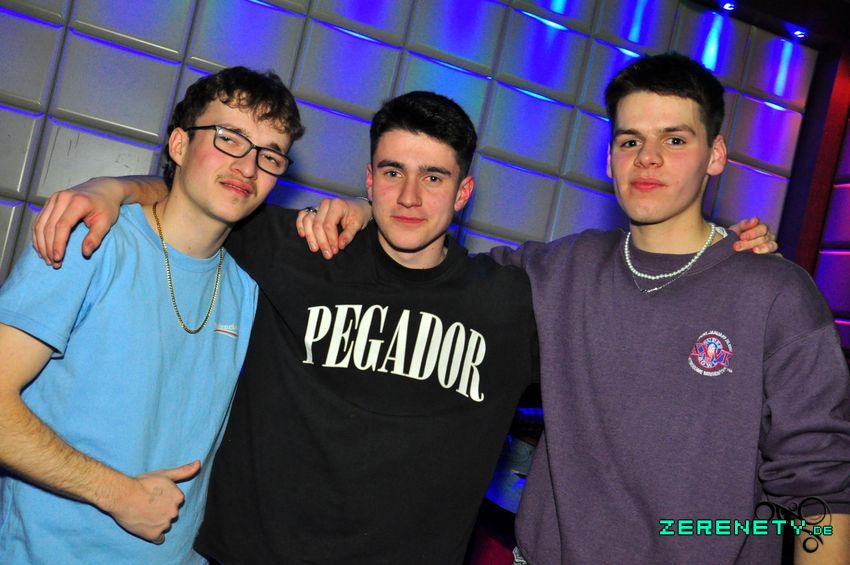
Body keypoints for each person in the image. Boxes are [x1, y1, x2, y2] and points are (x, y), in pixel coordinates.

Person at [31, 90, 774, 562]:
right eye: (392, 173)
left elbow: (635, 341)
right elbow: (202, 195)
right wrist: (111, 188)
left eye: (434, 177)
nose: (410, 196)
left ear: (465, 192)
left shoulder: (510, 301)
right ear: (367, 179)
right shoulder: (300, 247)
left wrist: (720, 259)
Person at [297, 53, 850, 564]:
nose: (648, 158)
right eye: (630, 141)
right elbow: (439, 270)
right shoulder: (561, 270)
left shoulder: (775, 295)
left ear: (716, 155)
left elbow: (822, 492)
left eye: (675, 139)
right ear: (610, 158)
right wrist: (366, 211)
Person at [0, 66, 303, 563]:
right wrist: (117, 494)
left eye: (269, 155)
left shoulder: (251, 285)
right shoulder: (91, 238)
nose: (248, 167)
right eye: (229, 138)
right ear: (179, 145)